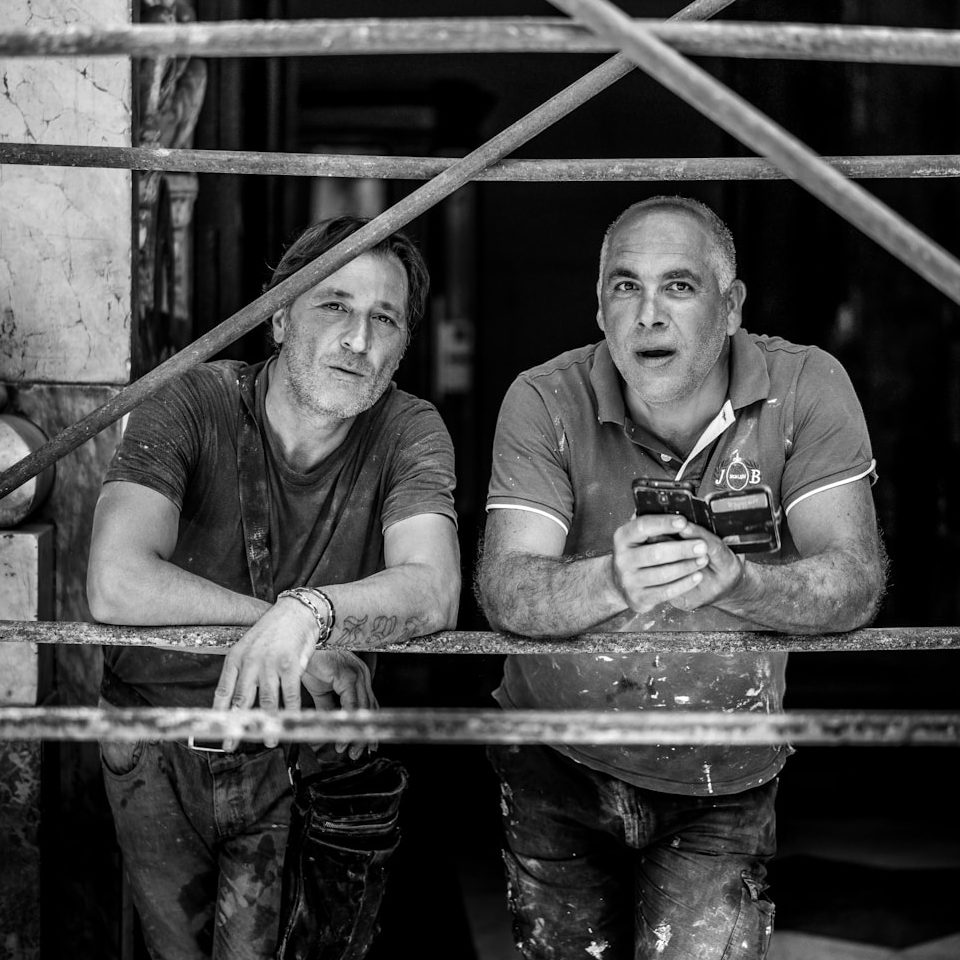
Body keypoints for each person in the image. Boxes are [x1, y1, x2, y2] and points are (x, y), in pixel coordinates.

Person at [476, 196, 884, 960]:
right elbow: (505, 587)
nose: (648, 315)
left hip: (725, 769)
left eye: (679, 286)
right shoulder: (545, 398)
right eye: (625, 286)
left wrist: (743, 585)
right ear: (598, 308)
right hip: (555, 759)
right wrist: (612, 582)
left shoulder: (804, 386)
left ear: (732, 306)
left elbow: (856, 579)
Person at [87, 216, 460, 960]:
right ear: (280, 316)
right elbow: (115, 580)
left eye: (384, 318)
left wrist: (309, 614)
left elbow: (433, 589)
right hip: (156, 743)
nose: (358, 339)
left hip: (299, 753)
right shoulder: (188, 400)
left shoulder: (409, 429)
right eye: (334, 305)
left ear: (402, 345)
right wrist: (294, 635)